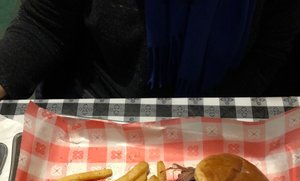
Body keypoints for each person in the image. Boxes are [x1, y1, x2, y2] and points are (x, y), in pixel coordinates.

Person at [0, 0, 300, 100]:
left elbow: (269, 52)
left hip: (218, 123)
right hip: (93, 116)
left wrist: (214, 124)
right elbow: (42, 26)